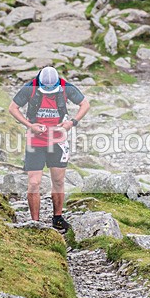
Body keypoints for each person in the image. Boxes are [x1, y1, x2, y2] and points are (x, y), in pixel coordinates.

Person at [8, 66, 91, 232]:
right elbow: (13, 108)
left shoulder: (65, 87)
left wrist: (71, 122)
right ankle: (35, 223)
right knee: (34, 182)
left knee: (59, 181)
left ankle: (58, 218)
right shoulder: (30, 88)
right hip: (35, 141)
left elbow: (85, 104)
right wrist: (30, 125)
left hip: (58, 141)